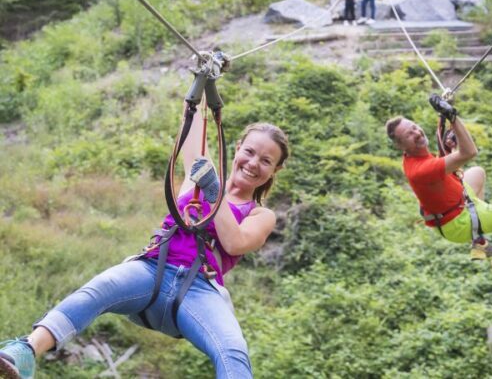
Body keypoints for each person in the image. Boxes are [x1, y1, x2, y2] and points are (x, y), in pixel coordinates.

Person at [0, 115, 289, 379]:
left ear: (275, 170)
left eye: (266, 161)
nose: (253, 163)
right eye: (249, 152)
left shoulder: (260, 215)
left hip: (200, 289)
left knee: (233, 349)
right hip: (153, 269)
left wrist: (214, 193)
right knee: (95, 291)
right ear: (237, 148)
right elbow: (192, 128)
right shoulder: (198, 178)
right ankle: (26, 351)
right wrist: (202, 80)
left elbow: (235, 242)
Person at [385, 95, 492, 275]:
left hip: (453, 205)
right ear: (400, 145)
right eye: (409, 134)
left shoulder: (414, 156)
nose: (417, 133)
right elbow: (469, 152)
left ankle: (479, 241)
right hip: (458, 222)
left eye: (414, 127)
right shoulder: (421, 170)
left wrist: (445, 110)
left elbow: (443, 156)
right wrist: (453, 117)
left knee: (477, 172)